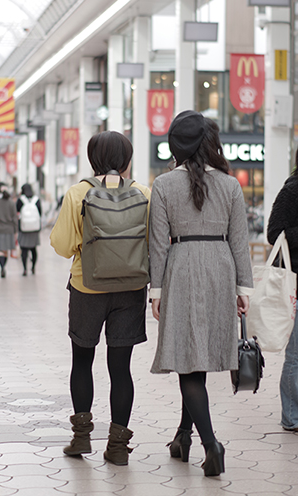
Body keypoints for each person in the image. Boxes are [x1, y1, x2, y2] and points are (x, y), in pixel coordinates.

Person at [149, 111, 252, 477]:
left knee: (187, 358)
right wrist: (243, 289)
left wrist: (156, 290)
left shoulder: (163, 186)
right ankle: (183, 437)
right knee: (198, 354)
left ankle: (211, 445)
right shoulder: (230, 185)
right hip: (220, 268)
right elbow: (241, 241)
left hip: (181, 268)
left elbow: (158, 244)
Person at [50, 131, 151, 466]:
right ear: (127, 160)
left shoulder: (78, 193)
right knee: (121, 368)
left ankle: (81, 439)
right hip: (131, 289)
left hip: (87, 287)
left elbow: (63, 246)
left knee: (82, 362)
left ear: (93, 158)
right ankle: (118, 447)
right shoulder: (143, 193)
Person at [267, 148, 298, 431]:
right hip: (294, 280)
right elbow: (273, 231)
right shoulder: (292, 190)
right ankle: (292, 416)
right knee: (296, 353)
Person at [0, 183, 17, 278]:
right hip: (9, 229)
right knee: (5, 251)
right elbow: (15, 218)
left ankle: (2, 267)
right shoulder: (11, 203)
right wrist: (15, 230)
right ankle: (3, 267)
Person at [16, 183, 41, 276]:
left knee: (24, 250)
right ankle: (33, 267)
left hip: (24, 228)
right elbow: (40, 213)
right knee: (34, 249)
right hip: (34, 229)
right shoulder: (36, 199)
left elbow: (17, 213)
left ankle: (25, 269)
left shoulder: (20, 200)